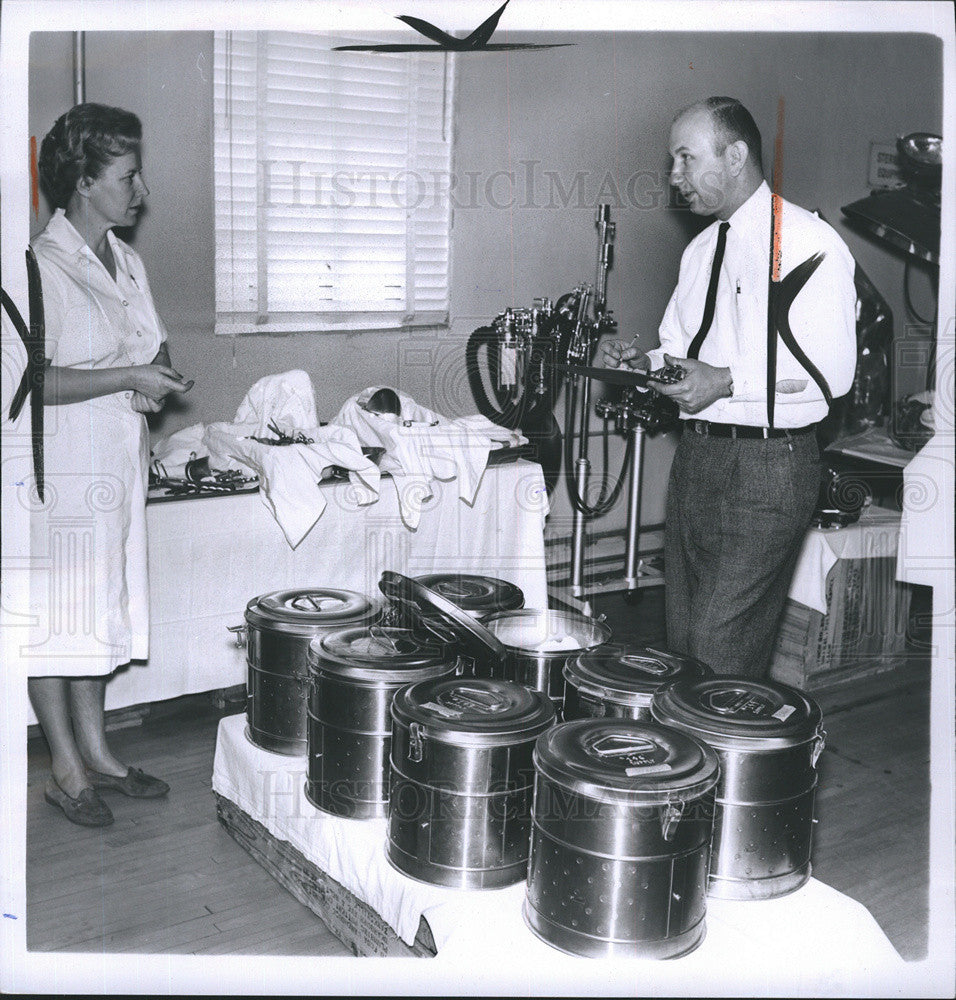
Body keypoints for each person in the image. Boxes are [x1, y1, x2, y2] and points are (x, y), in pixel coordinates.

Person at [604, 96, 857, 678]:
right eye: (673, 162)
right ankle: (697, 765)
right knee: (685, 647)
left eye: (685, 159)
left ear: (736, 154)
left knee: (722, 648)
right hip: (697, 460)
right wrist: (639, 364)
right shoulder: (699, 251)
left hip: (769, 467)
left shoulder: (808, 243)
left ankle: (722, 763)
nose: (674, 179)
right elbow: (680, 350)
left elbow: (832, 374)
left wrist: (726, 381)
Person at [27, 103, 193, 826]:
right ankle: (65, 770)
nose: (141, 188)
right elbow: (29, 382)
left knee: (97, 609)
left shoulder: (128, 260)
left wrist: (155, 377)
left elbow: (148, 348)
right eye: (127, 176)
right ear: (85, 181)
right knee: (57, 619)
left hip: (117, 464)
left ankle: (98, 753)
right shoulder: (37, 265)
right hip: (56, 470)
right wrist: (129, 379)